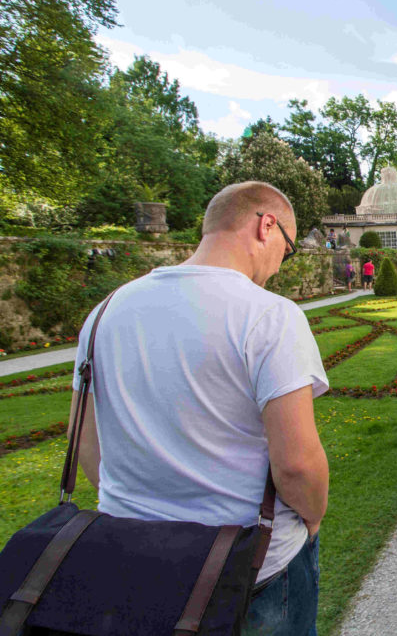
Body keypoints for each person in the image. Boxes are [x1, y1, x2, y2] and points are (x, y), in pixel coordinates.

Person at [70, 181, 330, 635]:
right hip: (245, 563)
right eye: (286, 250)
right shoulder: (270, 315)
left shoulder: (105, 312)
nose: (279, 266)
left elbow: (88, 450)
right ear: (266, 225)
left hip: (132, 554)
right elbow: (296, 466)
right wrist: (313, 519)